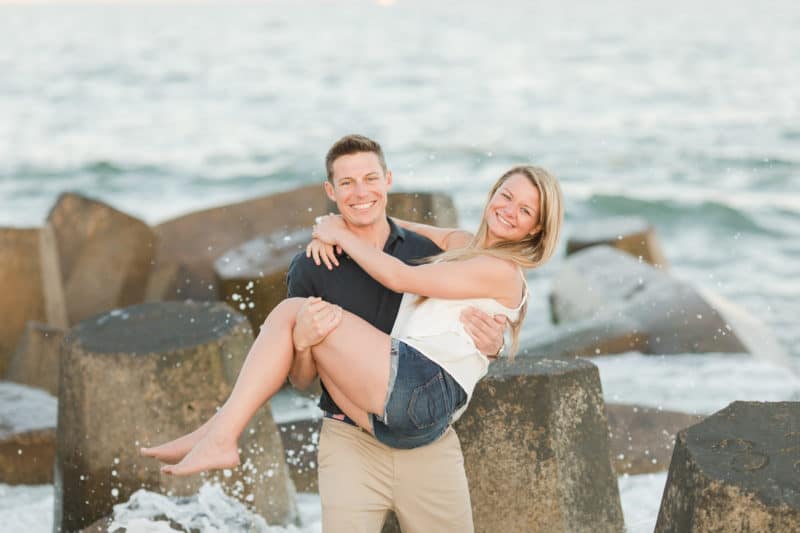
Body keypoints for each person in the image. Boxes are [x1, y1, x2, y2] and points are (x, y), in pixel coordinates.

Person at [141, 135, 562, 531]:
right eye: (507, 195)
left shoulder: (500, 270)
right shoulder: (459, 244)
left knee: (290, 311)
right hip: (385, 418)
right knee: (303, 322)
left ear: (535, 231)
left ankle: (222, 432)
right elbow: (385, 217)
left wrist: (339, 231)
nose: (510, 210)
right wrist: (333, 224)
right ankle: (219, 431)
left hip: (423, 390)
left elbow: (398, 278)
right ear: (493, 193)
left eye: (526, 211)